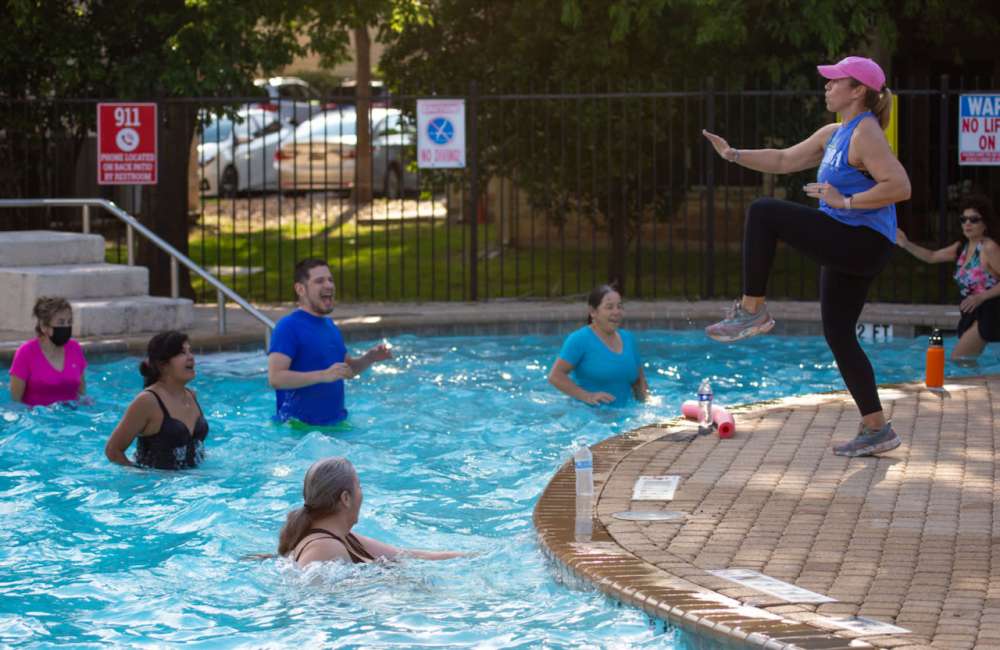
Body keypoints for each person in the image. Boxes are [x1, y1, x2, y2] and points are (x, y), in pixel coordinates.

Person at [701, 55, 911, 457]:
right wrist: (733, 155)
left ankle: (752, 310)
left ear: (858, 91)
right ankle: (876, 428)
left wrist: (846, 201)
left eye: (836, 81)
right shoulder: (836, 132)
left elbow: (899, 186)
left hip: (860, 238)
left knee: (764, 212)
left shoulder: (866, 131)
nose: (827, 86)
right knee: (838, 334)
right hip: (850, 240)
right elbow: (783, 160)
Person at [267, 259, 392, 426]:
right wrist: (323, 375)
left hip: (335, 426)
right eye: (319, 281)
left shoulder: (329, 326)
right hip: (299, 431)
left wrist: (370, 358)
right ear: (300, 289)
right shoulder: (288, 326)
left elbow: (346, 370)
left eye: (330, 280)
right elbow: (276, 378)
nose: (329, 285)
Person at [278, 456, 463, 566]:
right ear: (346, 498)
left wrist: (478, 558)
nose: (362, 493)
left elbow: (407, 555)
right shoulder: (325, 547)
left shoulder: (347, 538)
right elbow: (314, 599)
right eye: (359, 486)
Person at [897, 194, 1000, 359]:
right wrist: (906, 244)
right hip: (971, 312)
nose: (967, 223)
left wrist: (981, 297)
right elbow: (931, 256)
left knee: (959, 359)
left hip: (990, 310)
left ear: (985, 223)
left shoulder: (989, 248)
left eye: (973, 219)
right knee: (967, 361)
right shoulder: (962, 247)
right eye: (963, 219)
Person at [104, 331, 208, 469]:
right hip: (159, 486)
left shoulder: (191, 396)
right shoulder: (148, 401)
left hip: (195, 484)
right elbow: (113, 450)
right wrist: (141, 477)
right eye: (182, 353)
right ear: (162, 364)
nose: (191, 358)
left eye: (190, 351)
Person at [548, 285, 648, 406]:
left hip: (627, 416)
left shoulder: (628, 338)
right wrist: (587, 396)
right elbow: (555, 376)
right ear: (593, 312)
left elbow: (639, 380)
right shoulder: (579, 339)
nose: (616, 312)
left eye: (619, 306)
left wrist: (646, 406)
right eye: (609, 307)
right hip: (591, 417)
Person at [9, 296, 87, 406]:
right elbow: (16, 402)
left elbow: (82, 393)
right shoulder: (26, 353)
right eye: (61, 323)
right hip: (37, 419)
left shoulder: (75, 349)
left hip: (72, 415)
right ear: (44, 327)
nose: (66, 327)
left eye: (69, 322)